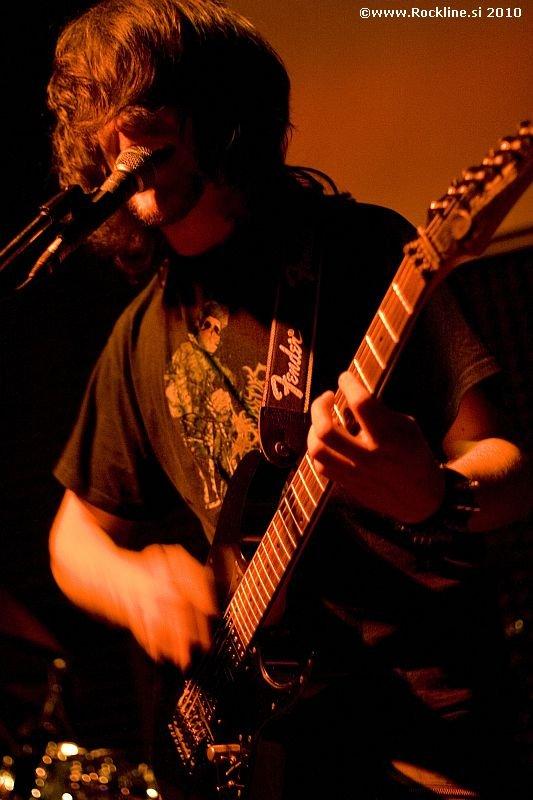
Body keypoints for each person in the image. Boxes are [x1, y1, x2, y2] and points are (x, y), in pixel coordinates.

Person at [46, 1, 531, 798]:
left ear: (218, 111)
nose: (121, 129)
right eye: (103, 111)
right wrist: (135, 584)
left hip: (428, 740)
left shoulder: (362, 250)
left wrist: (436, 494)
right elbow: (72, 539)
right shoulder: (138, 336)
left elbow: (511, 469)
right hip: (267, 749)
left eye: (146, 103)